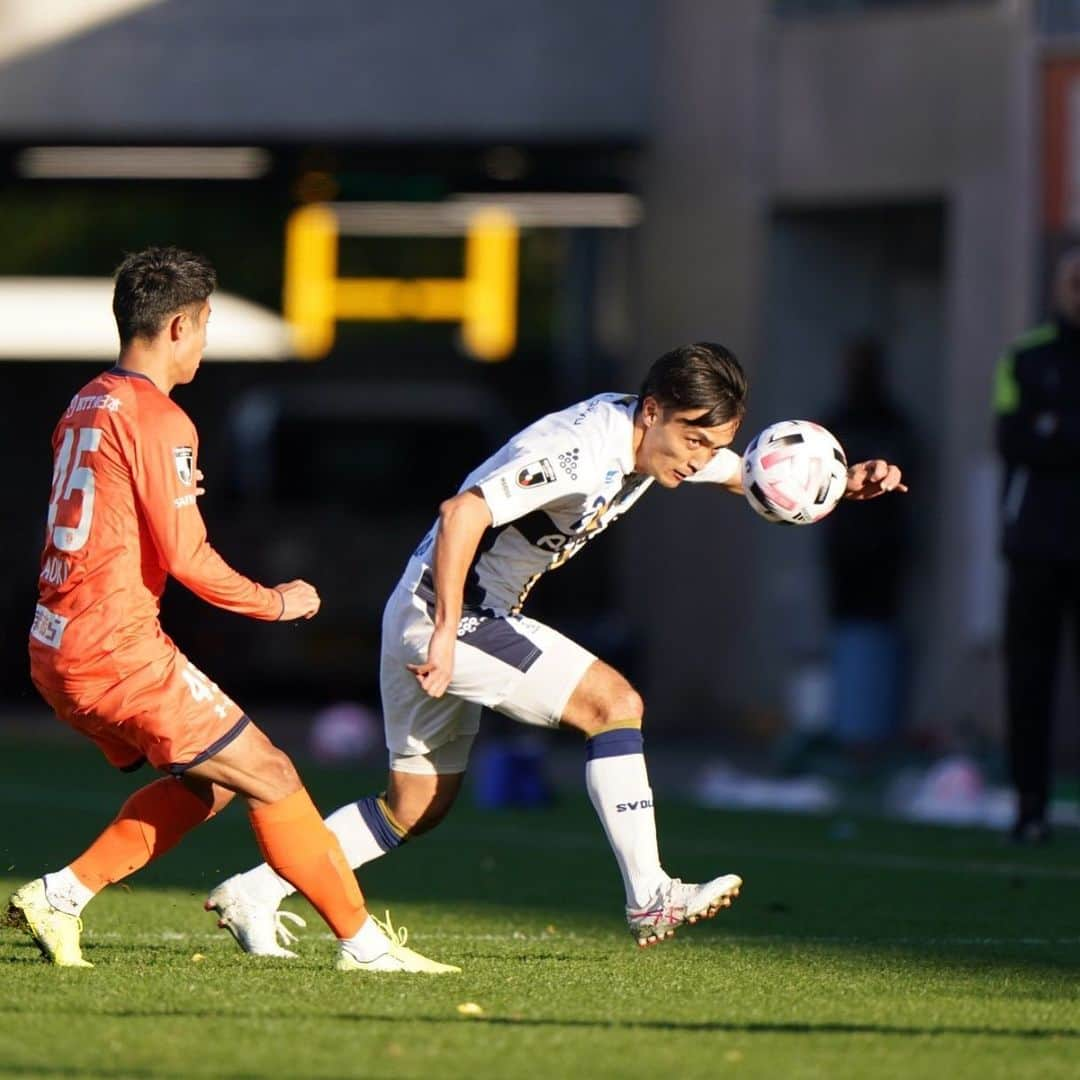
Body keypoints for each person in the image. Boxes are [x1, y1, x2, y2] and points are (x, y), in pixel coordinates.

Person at [207, 342, 904, 954]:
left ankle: (257, 891)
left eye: (709, 445)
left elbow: (741, 475)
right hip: (451, 614)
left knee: (414, 805)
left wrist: (839, 488)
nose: (700, 461)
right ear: (654, 409)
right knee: (615, 703)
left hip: (434, 612)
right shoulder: (580, 450)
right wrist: (448, 632)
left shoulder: (655, 441)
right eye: (694, 441)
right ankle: (650, 893)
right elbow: (463, 513)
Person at [6, 246, 456, 974]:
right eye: (207, 327)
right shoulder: (161, 419)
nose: (206, 345)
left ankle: (61, 896)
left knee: (213, 783)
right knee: (273, 774)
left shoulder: (87, 401)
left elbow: (112, 509)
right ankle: (363, 946)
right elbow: (188, 559)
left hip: (55, 639)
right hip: (116, 644)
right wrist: (275, 603)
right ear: (179, 325)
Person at [994, 247, 1080, 843]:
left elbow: (1045, 437)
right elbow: (1012, 439)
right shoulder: (1025, 358)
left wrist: (1056, 431)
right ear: (1057, 287)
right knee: (1030, 680)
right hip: (1036, 547)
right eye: (1075, 280)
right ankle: (1029, 807)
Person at [821, 337, 916, 746]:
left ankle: (872, 733)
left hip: (882, 552)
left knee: (877, 636)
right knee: (849, 637)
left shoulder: (893, 426)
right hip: (846, 550)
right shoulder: (835, 424)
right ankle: (851, 730)